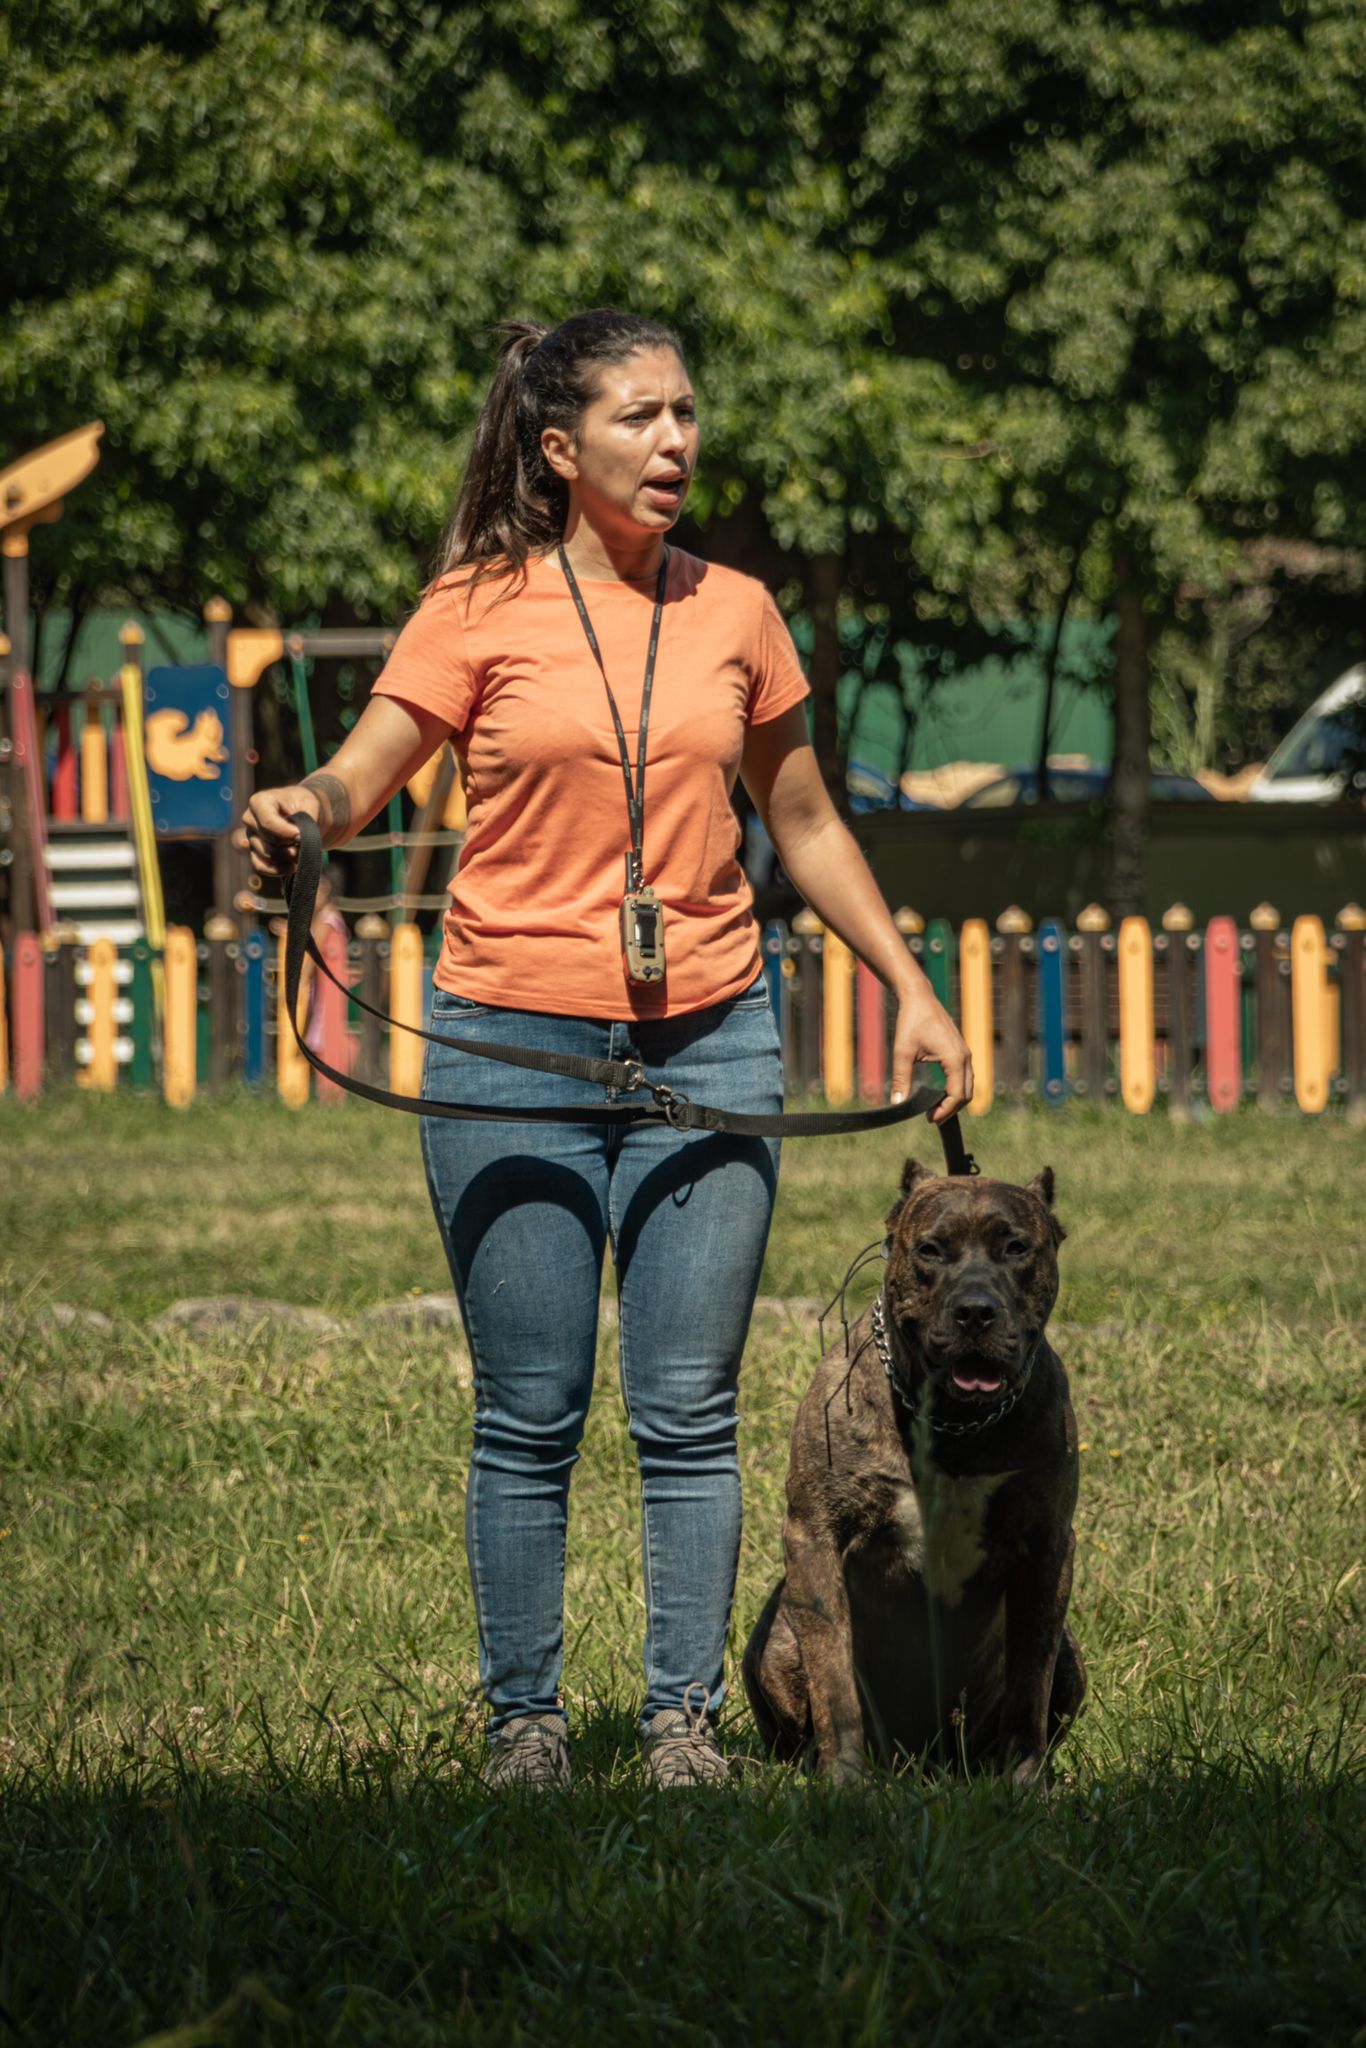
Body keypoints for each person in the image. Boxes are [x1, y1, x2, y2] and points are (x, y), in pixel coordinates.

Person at [239, 309, 973, 1789]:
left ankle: (678, 1724)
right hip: (506, 1039)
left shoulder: (738, 613)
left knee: (689, 1410)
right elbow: (365, 776)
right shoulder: (477, 604)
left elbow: (806, 819)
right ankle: (525, 1725)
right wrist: (300, 809)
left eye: (687, 414)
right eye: (642, 418)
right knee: (529, 1409)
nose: (677, 443)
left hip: (708, 1035)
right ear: (560, 448)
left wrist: (911, 983)